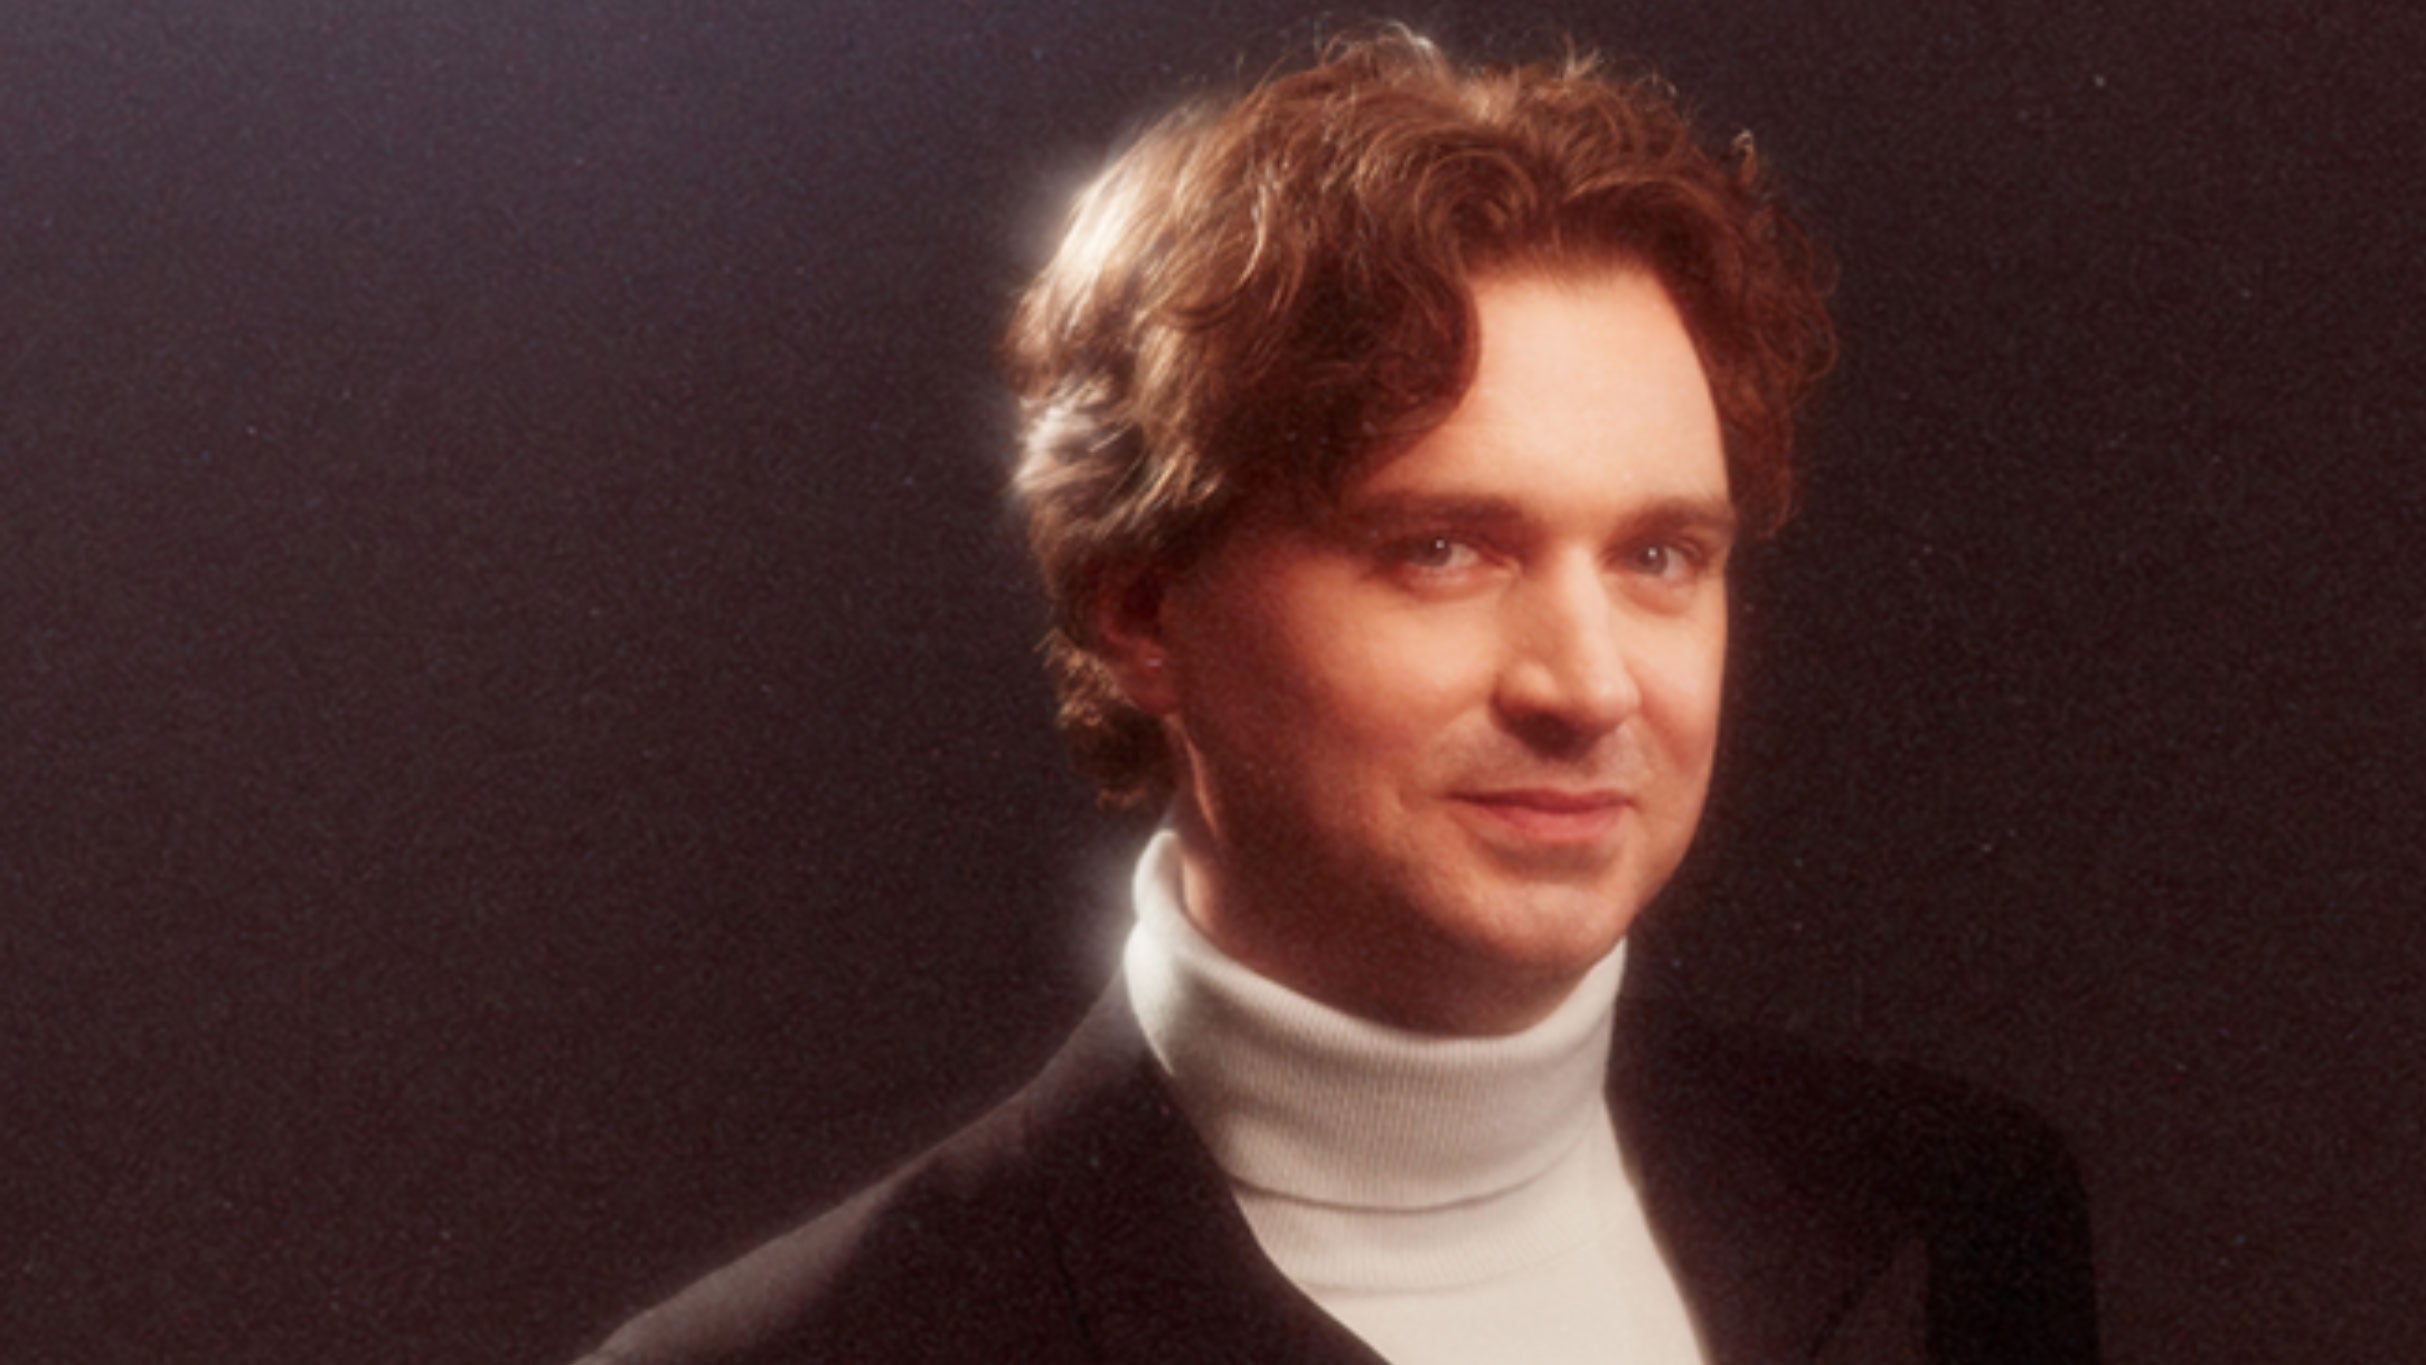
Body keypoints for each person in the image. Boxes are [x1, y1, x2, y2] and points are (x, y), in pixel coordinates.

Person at [576, 28, 2098, 1365]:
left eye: (1657, 555)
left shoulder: (1956, 1214)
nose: (1585, 684)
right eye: (1439, 549)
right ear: (1140, 609)